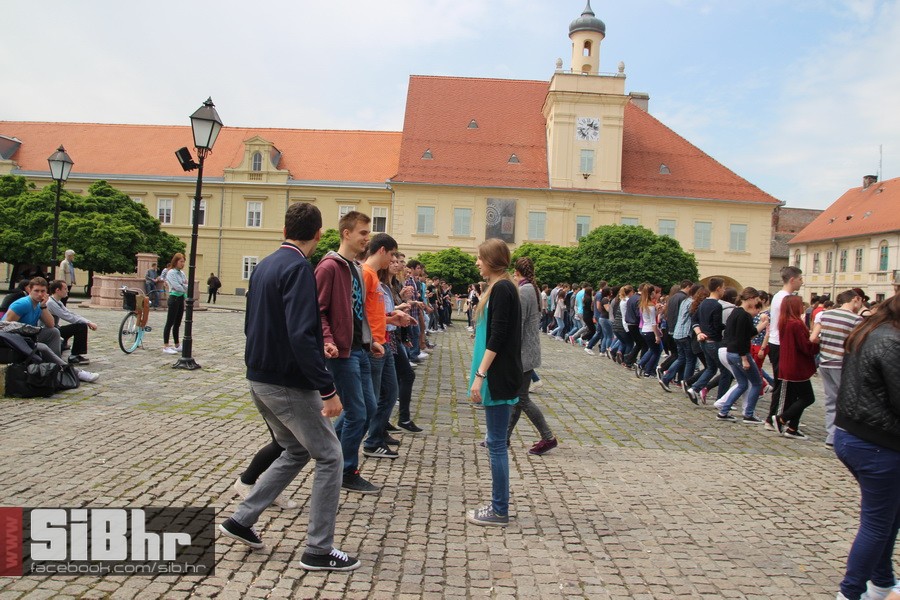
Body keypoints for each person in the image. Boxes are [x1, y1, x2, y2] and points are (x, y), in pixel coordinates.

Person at [218, 202, 360, 572]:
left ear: (284, 229)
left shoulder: (265, 264)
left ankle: (241, 520)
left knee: (296, 450)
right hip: (286, 382)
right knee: (331, 456)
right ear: (319, 234)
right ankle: (318, 549)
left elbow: (254, 324)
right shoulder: (299, 268)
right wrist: (327, 389)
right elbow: (300, 334)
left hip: (259, 377)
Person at [833, 292, 900, 600]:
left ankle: (882, 582)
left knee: (889, 517)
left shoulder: (872, 330)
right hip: (877, 443)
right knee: (877, 524)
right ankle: (850, 592)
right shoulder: (892, 341)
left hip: (856, 434)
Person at [316, 211, 380, 494]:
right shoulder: (329, 267)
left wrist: (369, 340)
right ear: (346, 233)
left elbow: (357, 311)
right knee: (357, 413)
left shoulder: (355, 267)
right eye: (363, 233)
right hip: (341, 353)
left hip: (359, 349)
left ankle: (331, 455)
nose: (367, 238)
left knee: (368, 409)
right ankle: (345, 470)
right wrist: (328, 340)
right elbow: (318, 311)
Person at [467, 239, 522, 527]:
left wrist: (480, 376)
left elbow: (497, 337)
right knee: (495, 442)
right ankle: (498, 506)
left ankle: (500, 509)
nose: (477, 262)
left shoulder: (501, 289)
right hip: (499, 374)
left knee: (497, 444)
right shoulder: (502, 287)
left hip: (498, 376)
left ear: (491, 260)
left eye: (480, 257)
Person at [3, 276, 99, 382]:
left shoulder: (39, 305)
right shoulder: (22, 304)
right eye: (36, 291)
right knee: (43, 347)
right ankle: (74, 371)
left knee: (54, 332)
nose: (40, 294)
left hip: (28, 336)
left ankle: (56, 367)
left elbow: (51, 324)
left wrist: (43, 306)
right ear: (29, 290)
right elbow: (6, 327)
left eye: (43, 291)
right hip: (13, 340)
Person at [508, 257, 557, 455]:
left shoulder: (524, 290)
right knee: (518, 398)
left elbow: (518, 324)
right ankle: (503, 437)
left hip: (524, 352)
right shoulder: (532, 288)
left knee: (521, 399)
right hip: (527, 350)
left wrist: (511, 351)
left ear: (517, 271)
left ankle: (548, 437)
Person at [360, 233, 402, 460]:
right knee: (368, 403)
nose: (393, 260)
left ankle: (375, 438)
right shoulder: (365, 274)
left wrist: (391, 319)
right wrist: (371, 340)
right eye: (392, 254)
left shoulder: (373, 276)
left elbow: (373, 315)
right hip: (373, 346)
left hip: (382, 343)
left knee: (389, 393)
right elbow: (358, 315)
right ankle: (365, 442)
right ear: (382, 250)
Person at [810, 289, 863, 447]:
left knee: (830, 400)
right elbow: (857, 345)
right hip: (841, 364)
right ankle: (844, 434)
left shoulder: (825, 315)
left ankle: (831, 436)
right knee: (846, 401)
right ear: (855, 299)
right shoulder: (856, 319)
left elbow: (813, 338)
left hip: (825, 362)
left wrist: (827, 342)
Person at [716, 287, 768, 423]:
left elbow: (749, 333)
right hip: (739, 353)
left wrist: (763, 324)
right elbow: (742, 338)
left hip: (731, 352)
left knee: (742, 384)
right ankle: (749, 414)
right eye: (756, 299)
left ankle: (723, 411)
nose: (756, 302)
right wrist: (744, 358)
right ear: (750, 299)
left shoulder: (735, 312)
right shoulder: (744, 315)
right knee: (757, 382)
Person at [770, 295, 819, 439]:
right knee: (808, 398)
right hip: (796, 366)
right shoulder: (796, 324)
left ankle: (793, 428)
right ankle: (782, 418)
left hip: (790, 365)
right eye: (801, 304)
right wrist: (817, 342)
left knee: (800, 397)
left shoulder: (785, 322)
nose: (803, 306)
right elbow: (805, 346)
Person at [764, 266, 804, 429]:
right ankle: (773, 418)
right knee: (783, 385)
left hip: (778, 342)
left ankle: (781, 416)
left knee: (784, 385)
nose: (802, 282)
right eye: (800, 279)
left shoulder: (779, 296)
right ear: (792, 280)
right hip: (781, 344)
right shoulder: (784, 298)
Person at [47, 279, 97, 365]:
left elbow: (70, 313)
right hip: (50, 331)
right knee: (81, 327)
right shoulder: (50, 303)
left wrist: (87, 321)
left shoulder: (57, 301)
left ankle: (64, 344)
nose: (67, 291)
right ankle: (74, 355)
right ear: (57, 290)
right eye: (65, 289)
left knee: (80, 325)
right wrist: (87, 323)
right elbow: (67, 316)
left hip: (55, 328)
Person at [162, 253, 187, 354]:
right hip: (174, 298)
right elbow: (177, 286)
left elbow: (186, 284)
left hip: (181, 298)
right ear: (175, 262)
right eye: (181, 261)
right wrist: (183, 286)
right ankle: (166, 345)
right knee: (170, 322)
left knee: (177, 323)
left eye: (183, 262)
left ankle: (177, 344)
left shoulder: (182, 273)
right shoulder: (171, 273)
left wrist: (183, 286)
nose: (182, 264)